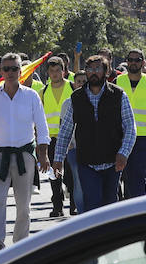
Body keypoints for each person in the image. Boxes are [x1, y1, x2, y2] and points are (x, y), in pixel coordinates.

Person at [0, 53, 51, 256]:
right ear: (1, 71)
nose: (10, 73)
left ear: (20, 71)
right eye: (6, 69)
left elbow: (42, 126)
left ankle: (20, 244)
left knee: (23, 205)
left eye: (14, 69)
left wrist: (43, 154)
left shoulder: (31, 96)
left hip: (24, 154)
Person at [54, 55, 135, 213]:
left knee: (110, 204)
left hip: (112, 162)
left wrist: (123, 153)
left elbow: (130, 128)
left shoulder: (119, 95)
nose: (93, 72)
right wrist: (58, 159)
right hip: (87, 162)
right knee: (93, 203)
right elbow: (65, 131)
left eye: (97, 68)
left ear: (106, 71)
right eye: (89, 69)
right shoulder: (76, 98)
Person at [114, 49, 146, 198]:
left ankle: (139, 206)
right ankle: (126, 205)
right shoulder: (118, 82)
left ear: (142, 63)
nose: (133, 63)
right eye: (130, 60)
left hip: (143, 138)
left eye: (137, 60)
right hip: (121, 138)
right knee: (123, 176)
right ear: (126, 62)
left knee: (139, 175)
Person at [36, 57, 78, 214]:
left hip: (70, 138)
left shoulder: (73, 88)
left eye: (58, 70)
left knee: (71, 174)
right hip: (51, 139)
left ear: (64, 71)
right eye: (51, 71)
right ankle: (57, 206)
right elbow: (38, 118)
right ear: (48, 72)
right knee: (54, 175)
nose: (54, 74)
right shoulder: (43, 92)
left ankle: (74, 203)